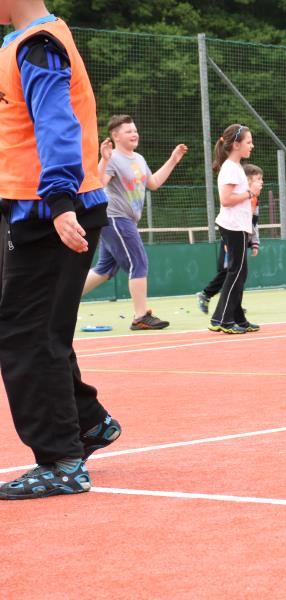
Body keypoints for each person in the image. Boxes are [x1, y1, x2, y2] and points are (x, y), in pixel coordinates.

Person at [0, 4, 121, 499]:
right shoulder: (22, 43)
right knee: (39, 330)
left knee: (27, 335)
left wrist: (59, 201)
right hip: (34, 209)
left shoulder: (38, 46)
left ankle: (61, 462)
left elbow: (57, 123)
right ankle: (87, 424)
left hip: (51, 212)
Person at [81, 115, 188, 329]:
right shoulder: (112, 158)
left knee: (104, 270)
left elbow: (153, 183)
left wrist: (173, 160)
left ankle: (60, 299)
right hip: (115, 218)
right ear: (116, 136)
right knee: (138, 262)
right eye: (129, 131)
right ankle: (140, 317)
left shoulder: (138, 158)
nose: (134, 134)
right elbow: (98, 183)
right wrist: (104, 159)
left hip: (126, 220)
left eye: (135, 130)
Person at [208, 124, 263, 334]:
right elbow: (226, 199)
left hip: (238, 227)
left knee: (240, 273)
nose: (252, 145)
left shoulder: (236, 167)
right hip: (233, 227)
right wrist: (250, 192)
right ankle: (224, 319)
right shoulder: (230, 168)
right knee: (236, 272)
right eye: (248, 142)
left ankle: (235, 318)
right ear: (236, 145)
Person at [197, 162, 263, 325]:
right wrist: (227, 241)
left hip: (242, 237)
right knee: (231, 273)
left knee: (238, 274)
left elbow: (253, 223)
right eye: (258, 179)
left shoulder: (254, 200)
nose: (262, 182)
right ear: (248, 181)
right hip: (231, 237)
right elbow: (230, 217)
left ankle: (236, 314)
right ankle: (220, 312)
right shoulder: (240, 195)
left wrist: (254, 242)